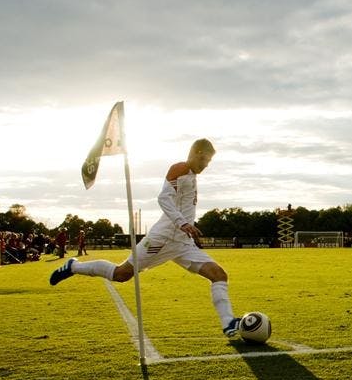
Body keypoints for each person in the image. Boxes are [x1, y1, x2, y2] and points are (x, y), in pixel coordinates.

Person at [49, 139, 243, 336]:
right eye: (205, 160)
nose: (206, 165)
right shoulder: (181, 168)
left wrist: (189, 229)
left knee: (219, 275)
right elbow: (163, 198)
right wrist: (182, 223)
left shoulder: (192, 175)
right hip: (162, 238)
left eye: (208, 162)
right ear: (197, 152)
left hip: (183, 243)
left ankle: (228, 323)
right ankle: (73, 266)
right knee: (122, 274)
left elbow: (183, 207)